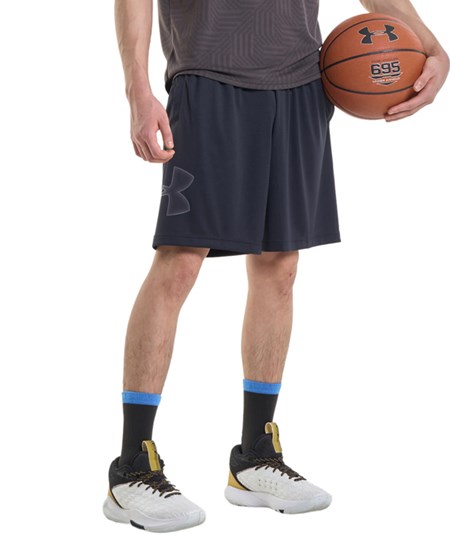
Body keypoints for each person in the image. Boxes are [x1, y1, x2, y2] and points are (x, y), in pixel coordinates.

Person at [103, 0, 449, 533]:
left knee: (280, 269)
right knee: (179, 263)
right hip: (208, 80)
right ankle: (131, 468)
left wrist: (431, 46)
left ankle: (255, 457)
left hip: (303, 85)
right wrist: (137, 90)